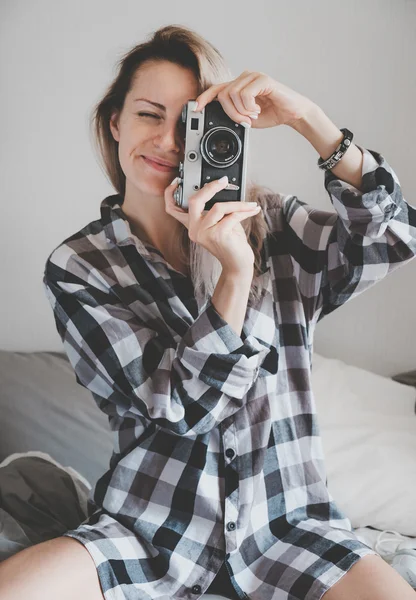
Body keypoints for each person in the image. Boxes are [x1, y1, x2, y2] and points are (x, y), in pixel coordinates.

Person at [1, 23, 415, 600]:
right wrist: (235, 276)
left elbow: (394, 235)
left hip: (290, 529)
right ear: (114, 121)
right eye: (149, 115)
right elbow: (177, 409)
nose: (169, 142)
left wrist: (309, 121)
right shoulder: (81, 266)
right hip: (148, 531)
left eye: (191, 123)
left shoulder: (268, 222)